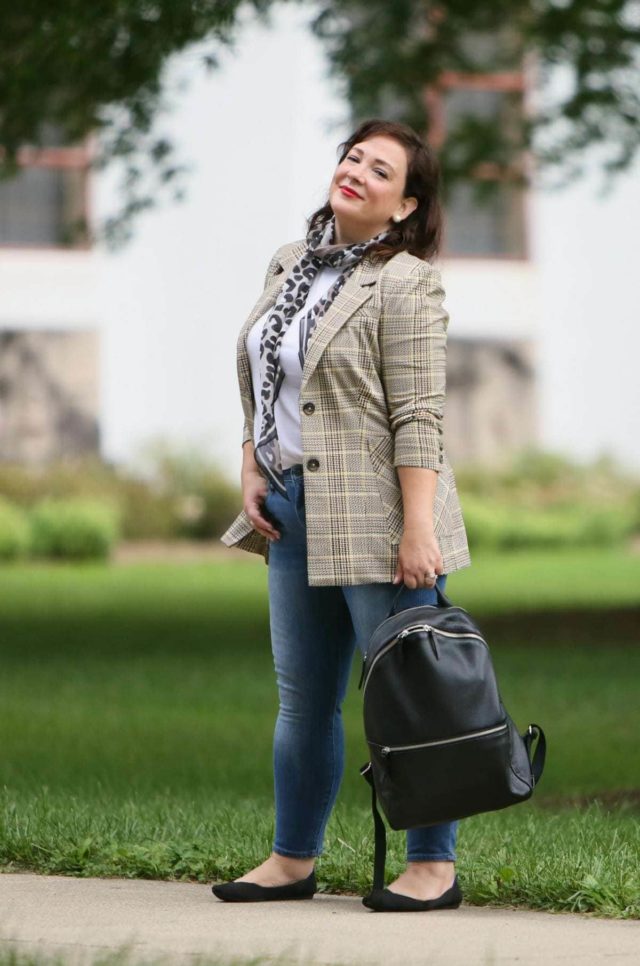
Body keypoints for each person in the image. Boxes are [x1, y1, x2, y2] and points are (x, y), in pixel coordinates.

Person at [213, 118, 471, 912]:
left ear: (403, 206)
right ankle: (293, 859)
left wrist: (418, 528)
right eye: (352, 157)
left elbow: (419, 414)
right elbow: (267, 376)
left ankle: (433, 866)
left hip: (382, 515)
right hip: (292, 506)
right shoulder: (292, 264)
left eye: (379, 169)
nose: (356, 171)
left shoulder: (406, 280)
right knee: (304, 699)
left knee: (410, 695)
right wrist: (254, 460)